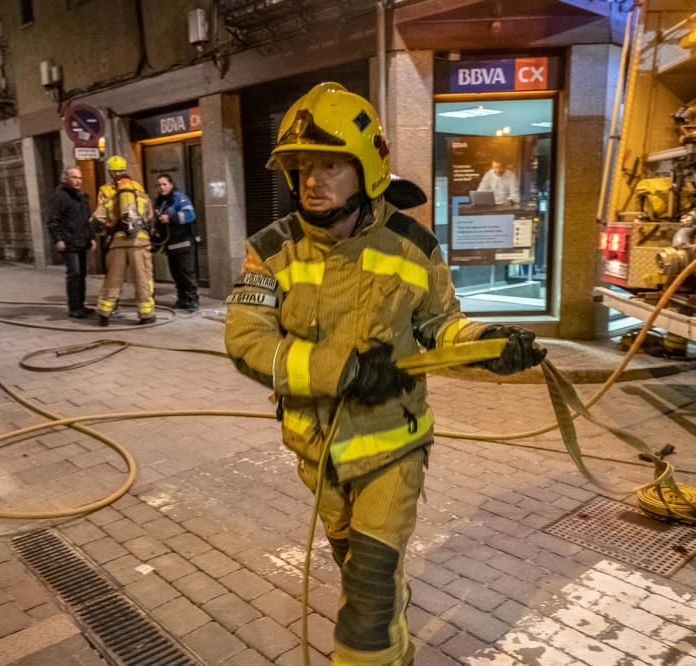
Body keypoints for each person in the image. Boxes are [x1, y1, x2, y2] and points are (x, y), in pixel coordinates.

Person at [224, 82, 546, 666]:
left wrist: (488, 346)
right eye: (301, 168)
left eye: (329, 165)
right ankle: (389, 605)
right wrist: (340, 370)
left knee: (365, 599)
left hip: (392, 448)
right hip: (317, 454)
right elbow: (248, 342)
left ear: (368, 169)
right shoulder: (269, 251)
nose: (312, 181)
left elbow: (441, 326)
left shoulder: (413, 245)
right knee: (356, 564)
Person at [92, 155, 156, 326]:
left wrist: (106, 230)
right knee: (143, 279)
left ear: (110, 172)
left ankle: (104, 313)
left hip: (118, 242)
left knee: (113, 279)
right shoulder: (138, 188)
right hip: (140, 242)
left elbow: (98, 218)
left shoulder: (106, 190)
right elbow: (149, 214)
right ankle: (146, 315)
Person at [47, 166, 96, 319]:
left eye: (80, 178)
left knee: (81, 274)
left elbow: (87, 220)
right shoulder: (60, 196)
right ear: (66, 179)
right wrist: (58, 239)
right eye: (74, 178)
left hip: (81, 241)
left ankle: (81, 305)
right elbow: (53, 220)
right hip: (68, 242)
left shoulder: (81, 197)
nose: (78, 181)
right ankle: (74, 308)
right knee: (74, 274)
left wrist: (92, 237)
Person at [154, 174, 200, 311]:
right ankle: (182, 299)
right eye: (159, 185)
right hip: (171, 244)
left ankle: (193, 300)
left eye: (164, 184)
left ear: (171, 184)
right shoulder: (159, 201)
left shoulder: (179, 198)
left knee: (187, 273)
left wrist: (171, 217)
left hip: (184, 242)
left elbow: (190, 215)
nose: (162, 187)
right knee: (176, 275)